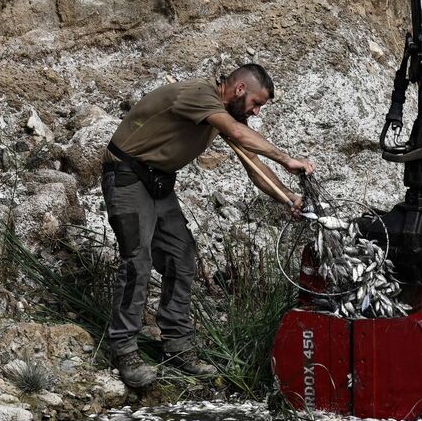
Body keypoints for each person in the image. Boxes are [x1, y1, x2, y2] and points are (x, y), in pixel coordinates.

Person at [101, 63, 314, 389]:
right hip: (128, 177)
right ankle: (125, 351)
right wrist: (286, 159)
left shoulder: (223, 114)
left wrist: (287, 198)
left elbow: (252, 164)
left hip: (159, 183)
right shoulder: (200, 94)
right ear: (240, 89)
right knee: (138, 261)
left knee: (182, 257)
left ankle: (177, 347)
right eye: (256, 104)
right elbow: (241, 134)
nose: (256, 112)